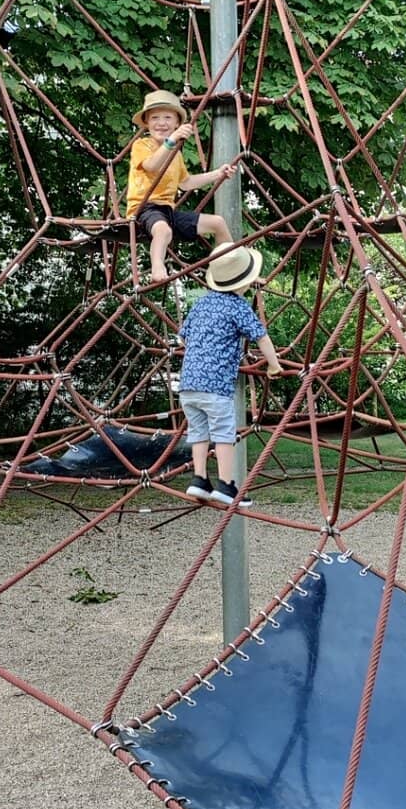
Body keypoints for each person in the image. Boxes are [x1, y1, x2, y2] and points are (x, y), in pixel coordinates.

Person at [178, 242, 283, 508]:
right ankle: (227, 485)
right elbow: (261, 336)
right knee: (224, 434)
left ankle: (199, 479)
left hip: (189, 385)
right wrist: (273, 365)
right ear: (243, 283)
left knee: (199, 432)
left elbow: (183, 339)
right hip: (216, 387)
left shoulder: (201, 303)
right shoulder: (238, 307)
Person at [126, 89, 239, 284]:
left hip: (168, 211)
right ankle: (157, 267)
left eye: (168, 117)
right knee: (164, 231)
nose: (161, 123)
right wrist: (171, 141)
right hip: (144, 208)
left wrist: (218, 174)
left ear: (177, 123)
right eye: (155, 118)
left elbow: (186, 183)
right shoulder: (142, 145)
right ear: (147, 123)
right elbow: (152, 166)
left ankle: (232, 268)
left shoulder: (175, 154)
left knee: (218, 222)